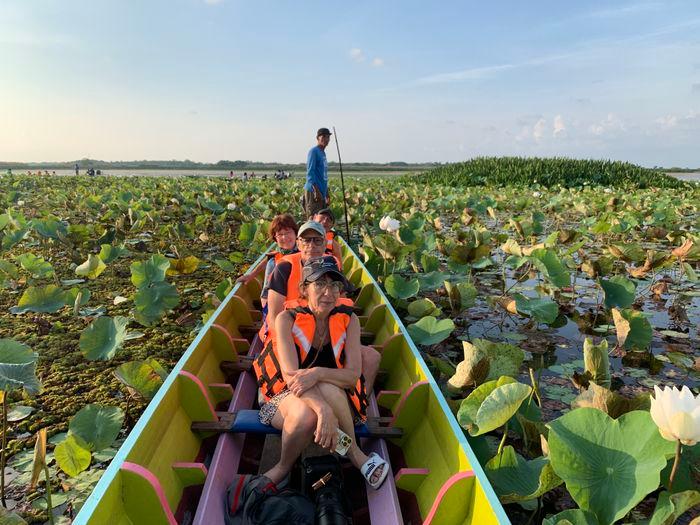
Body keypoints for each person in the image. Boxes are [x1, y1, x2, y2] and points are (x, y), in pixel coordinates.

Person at [254, 257, 389, 489]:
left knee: (327, 386)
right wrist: (323, 409)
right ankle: (284, 466)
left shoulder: (350, 320)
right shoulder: (286, 319)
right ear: (304, 289)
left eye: (335, 285)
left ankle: (353, 453)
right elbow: (290, 378)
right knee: (309, 415)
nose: (328, 292)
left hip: (331, 393)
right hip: (283, 398)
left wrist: (316, 373)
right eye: (319, 284)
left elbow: (352, 375)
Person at [266, 221, 380, 394]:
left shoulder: (331, 264)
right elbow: (273, 316)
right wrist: (287, 341)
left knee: (371, 357)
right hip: (289, 334)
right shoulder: (284, 267)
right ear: (298, 243)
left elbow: (339, 303)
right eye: (306, 240)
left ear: (325, 243)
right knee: (293, 368)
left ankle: (359, 405)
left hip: (325, 330)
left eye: (317, 240)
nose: (312, 245)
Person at [304, 128, 331, 218]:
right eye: (323, 136)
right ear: (317, 138)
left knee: (320, 219)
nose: (326, 139)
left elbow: (323, 175)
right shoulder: (313, 151)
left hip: (321, 192)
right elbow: (310, 173)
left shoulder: (323, 153)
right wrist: (316, 191)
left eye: (328, 137)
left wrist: (326, 193)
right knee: (313, 219)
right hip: (313, 191)